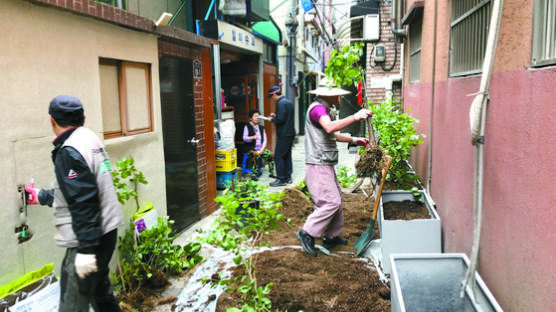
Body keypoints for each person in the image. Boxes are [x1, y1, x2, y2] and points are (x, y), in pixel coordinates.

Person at [25, 95, 123, 311]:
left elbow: (84, 203)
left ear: (52, 120)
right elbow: (81, 191)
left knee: (72, 305)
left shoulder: (70, 150)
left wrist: (86, 251)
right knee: (101, 295)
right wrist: (41, 196)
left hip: (88, 240)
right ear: (83, 117)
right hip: (106, 232)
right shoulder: (90, 139)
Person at [296, 80, 372, 257]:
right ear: (327, 94)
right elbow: (330, 127)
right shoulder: (318, 109)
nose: (338, 97)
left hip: (325, 163)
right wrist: (356, 116)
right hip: (318, 163)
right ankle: (307, 232)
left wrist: (355, 140)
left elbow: (332, 133)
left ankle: (331, 237)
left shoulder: (323, 109)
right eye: (335, 94)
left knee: (336, 199)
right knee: (331, 202)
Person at [267, 86, 296, 187]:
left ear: (274, 94)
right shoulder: (288, 102)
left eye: (271, 97)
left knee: (278, 156)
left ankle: (281, 179)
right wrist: (276, 115)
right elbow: (285, 116)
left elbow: (281, 120)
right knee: (287, 155)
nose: (272, 99)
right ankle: (288, 177)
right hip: (290, 132)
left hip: (284, 133)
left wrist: (272, 119)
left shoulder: (280, 103)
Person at [242, 109, 274, 181]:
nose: (257, 118)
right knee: (255, 154)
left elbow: (265, 139)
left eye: (258, 116)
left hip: (260, 149)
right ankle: (254, 174)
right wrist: (252, 137)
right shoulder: (247, 126)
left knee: (270, 155)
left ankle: (271, 173)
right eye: (255, 116)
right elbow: (244, 138)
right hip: (250, 149)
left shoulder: (261, 127)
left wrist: (262, 148)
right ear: (250, 118)